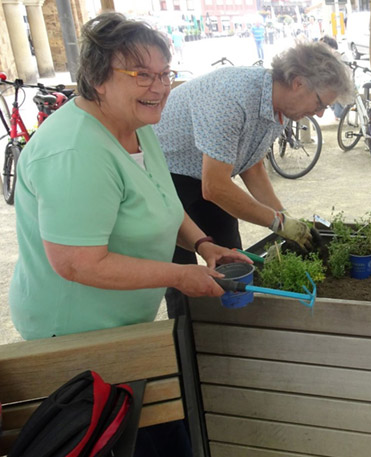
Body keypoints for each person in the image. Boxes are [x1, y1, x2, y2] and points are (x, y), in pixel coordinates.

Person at [9, 12, 249, 455]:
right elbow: (77, 262)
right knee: (113, 437)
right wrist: (178, 276)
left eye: (164, 73)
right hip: (75, 334)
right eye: (142, 75)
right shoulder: (75, 151)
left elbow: (164, 203)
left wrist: (203, 244)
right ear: (99, 79)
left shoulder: (137, 125)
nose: (159, 87)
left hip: (122, 324)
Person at [153, 42, 352, 316]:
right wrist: (276, 221)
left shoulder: (279, 107)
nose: (319, 113)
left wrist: (283, 217)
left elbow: (252, 166)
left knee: (232, 259)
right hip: (165, 175)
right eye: (320, 103)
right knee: (183, 278)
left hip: (206, 173)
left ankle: (232, 329)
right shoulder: (232, 96)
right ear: (297, 83)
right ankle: (190, 342)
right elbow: (215, 187)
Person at [319, 35, 348, 121]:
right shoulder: (333, 55)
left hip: (339, 85)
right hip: (335, 85)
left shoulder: (334, 54)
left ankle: (337, 113)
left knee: (339, 112)